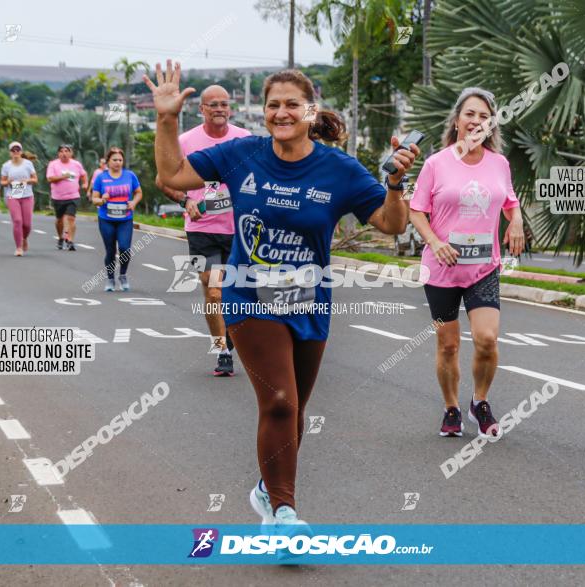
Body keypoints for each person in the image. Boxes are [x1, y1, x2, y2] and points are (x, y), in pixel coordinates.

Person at [147, 61, 417, 529]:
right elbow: (172, 172)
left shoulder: (339, 170)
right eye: (273, 105)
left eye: (292, 104)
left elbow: (393, 225)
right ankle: (284, 513)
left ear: (310, 111)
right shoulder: (242, 154)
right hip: (249, 298)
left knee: (295, 414)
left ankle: (266, 488)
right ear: (264, 112)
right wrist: (168, 119)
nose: (281, 112)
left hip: (309, 304)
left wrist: (395, 183)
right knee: (279, 403)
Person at [408, 88, 524, 439]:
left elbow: (509, 201)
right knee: (448, 344)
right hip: (441, 269)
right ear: (457, 120)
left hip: (483, 268)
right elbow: (417, 211)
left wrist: (515, 220)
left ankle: (480, 401)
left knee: (487, 339)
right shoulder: (436, 163)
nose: (476, 121)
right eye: (470, 114)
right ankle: (451, 407)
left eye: (484, 116)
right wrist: (436, 241)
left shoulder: (499, 164)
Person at [162, 85, 251, 376]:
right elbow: (163, 180)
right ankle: (222, 348)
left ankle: (233, 334)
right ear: (201, 109)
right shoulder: (186, 141)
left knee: (241, 294)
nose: (219, 109)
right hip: (202, 228)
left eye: (224, 104)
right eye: (212, 104)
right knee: (213, 292)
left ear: (230, 108)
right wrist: (186, 200)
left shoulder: (245, 140)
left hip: (240, 230)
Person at [91, 147, 142, 291]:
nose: (118, 162)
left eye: (120, 160)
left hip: (125, 218)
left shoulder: (130, 175)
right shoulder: (101, 177)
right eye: (114, 160)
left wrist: (134, 202)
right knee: (110, 250)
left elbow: (138, 193)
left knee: (125, 248)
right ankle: (110, 279)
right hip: (106, 218)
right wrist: (102, 200)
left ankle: (123, 275)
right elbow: (94, 199)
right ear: (108, 161)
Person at [47, 144, 88, 251]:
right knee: (59, 220)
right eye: (61, 151)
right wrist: (63, 177)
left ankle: (70, 241)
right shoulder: (53, 164)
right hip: (58, 197)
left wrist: (85, 183)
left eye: (67, 151)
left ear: (71, 153)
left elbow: (84, 174)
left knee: (71, 218)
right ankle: (61, 238)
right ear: (58, 153)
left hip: (73, 196)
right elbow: (50, 178)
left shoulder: (76, 164)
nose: (64, 153)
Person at [1, 141, 38, 256]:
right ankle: (18, 247)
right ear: (10, 153)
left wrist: (26, 181)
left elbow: (35, 179)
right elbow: (2, 182)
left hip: (27, 195)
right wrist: (8, 182)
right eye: (13, 150)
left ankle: (24, 238)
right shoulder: (6, 165)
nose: (16, 152)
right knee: (17, 221)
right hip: (13, 194)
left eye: (18, 150)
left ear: (21, 152)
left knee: (27, 224)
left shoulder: (27, 164)